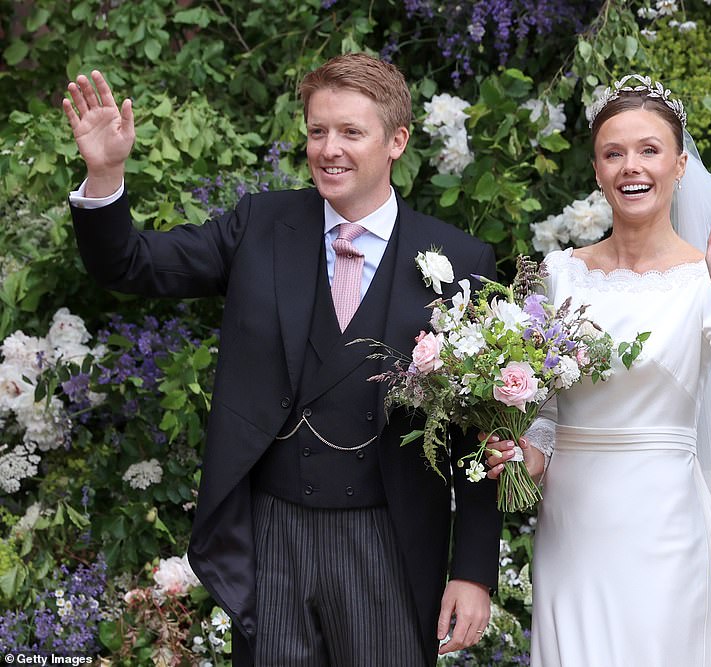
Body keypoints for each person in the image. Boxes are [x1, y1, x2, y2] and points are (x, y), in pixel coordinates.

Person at [62, 53, 501, 666]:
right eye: (317, 130)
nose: (329, 149)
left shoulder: (459, 260)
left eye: (351, 132)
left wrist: (474, 570)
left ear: (396, 140)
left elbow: (481, 434)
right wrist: (105, 175)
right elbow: (129, 263)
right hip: (271, 538)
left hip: (388, 542)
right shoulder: (260, 226)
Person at [487, 74, 711, 666]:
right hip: (572, 527)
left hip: (665, 525)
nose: (630, 166)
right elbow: (543, 421)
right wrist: (520, 457)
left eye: (649, 150)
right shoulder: (559, 275)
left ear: (680, 165)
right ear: (596, 171)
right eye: (613, 153)